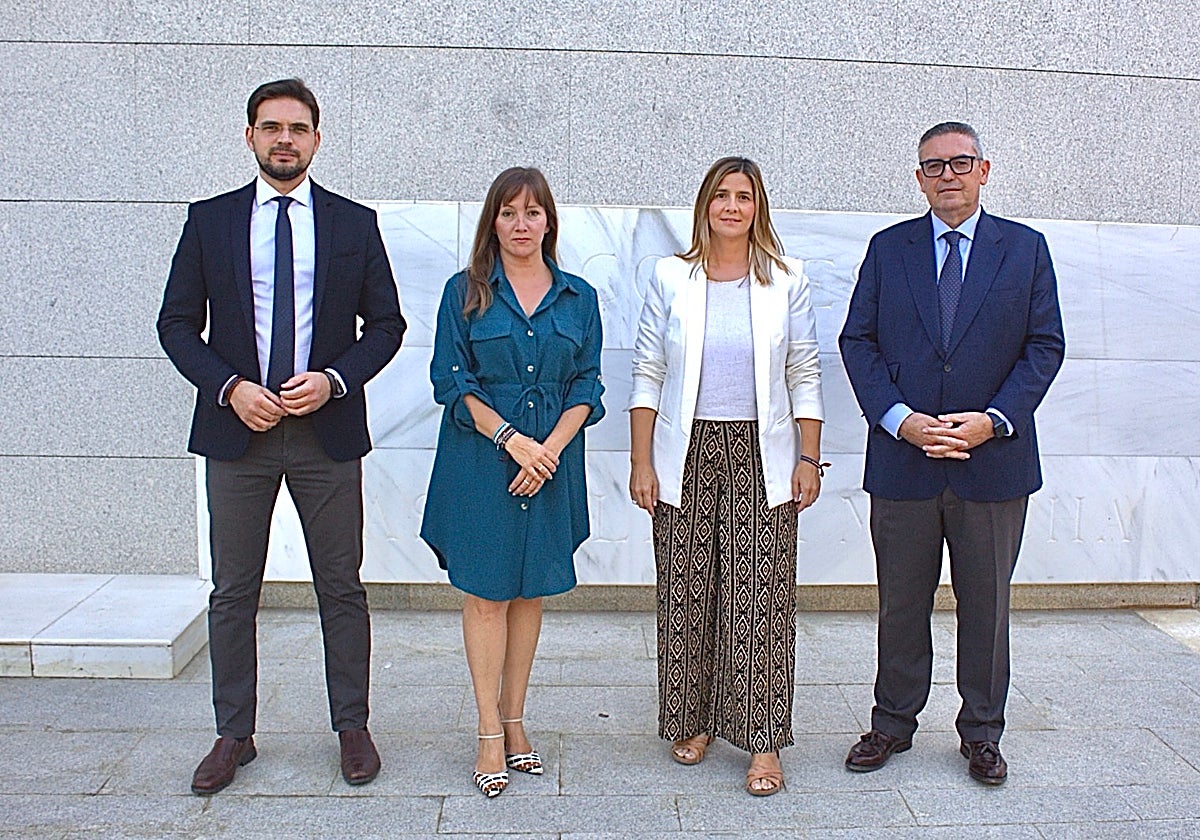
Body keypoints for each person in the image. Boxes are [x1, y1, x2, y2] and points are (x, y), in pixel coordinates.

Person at [157, 78, 405, 795]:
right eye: (271, 127)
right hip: (238, 435)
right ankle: (234, 734)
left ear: (318, 139)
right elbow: (176, 325)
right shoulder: (209, 222)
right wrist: (230, 388)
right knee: (234, 591)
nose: (285, 139)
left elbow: (385, 326)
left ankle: (351, 727)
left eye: (298, 128)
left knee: (341, 586)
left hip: (326, 434)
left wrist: (333, 380)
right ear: (250, 138)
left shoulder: (354, 224)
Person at [838, 121, 1065, 785]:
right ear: (918, 177)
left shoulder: (1025, 250)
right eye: (934, 166)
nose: (948, 175)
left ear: (984, 169)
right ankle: (892, 723)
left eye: (960, 163)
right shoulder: (889, 249)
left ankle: (982, 734)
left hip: (991, 464)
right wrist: (899, 420)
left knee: (986, 606)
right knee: (900, 602)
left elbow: (1044, 346)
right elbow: (859, 341)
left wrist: (993, 421)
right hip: (904, 461)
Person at [628, 156, 825, 796]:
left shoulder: (786, 279)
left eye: (744, 196)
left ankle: (764, 742)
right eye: (721, 195)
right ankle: (696, 719)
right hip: (686, 454)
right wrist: (641, 461)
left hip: (762, 456)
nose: (732, 207)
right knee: (689, 595)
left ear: (758, 206)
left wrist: (807, 456)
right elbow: (648, 368)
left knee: (761, 603)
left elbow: (804, 370)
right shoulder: (671, 276)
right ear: (704, 205)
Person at [420, 167, 605, 798]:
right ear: (492, 222)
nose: (521, 224)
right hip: (481, 463)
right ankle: (487, 732)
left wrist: (547, 450)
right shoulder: (463, 291)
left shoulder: (579, 297)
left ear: (550, 220)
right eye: (508, 212)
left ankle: (517, 720)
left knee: (530, 594)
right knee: (486, 596)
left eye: (533, 212)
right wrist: (512, 441)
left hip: (549, 465)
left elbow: (587, 384)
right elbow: (451, 380)